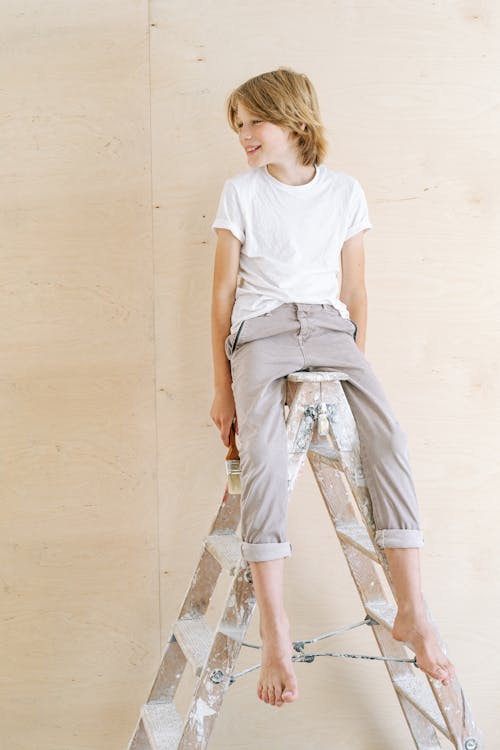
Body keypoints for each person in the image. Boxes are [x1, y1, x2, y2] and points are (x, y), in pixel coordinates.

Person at [209, 67, 455, 708]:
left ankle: (413, 609)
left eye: (252, 122)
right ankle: (275, 630)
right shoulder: (240, 193)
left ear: (292, 119)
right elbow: (221, 294)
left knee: (390, 439)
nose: (243, 136)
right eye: (237, 127)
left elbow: (355, 290)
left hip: (328, 328)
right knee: (262, 457)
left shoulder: (345, 192)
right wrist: (222, 390)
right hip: (260, 330)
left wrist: (353, 364)